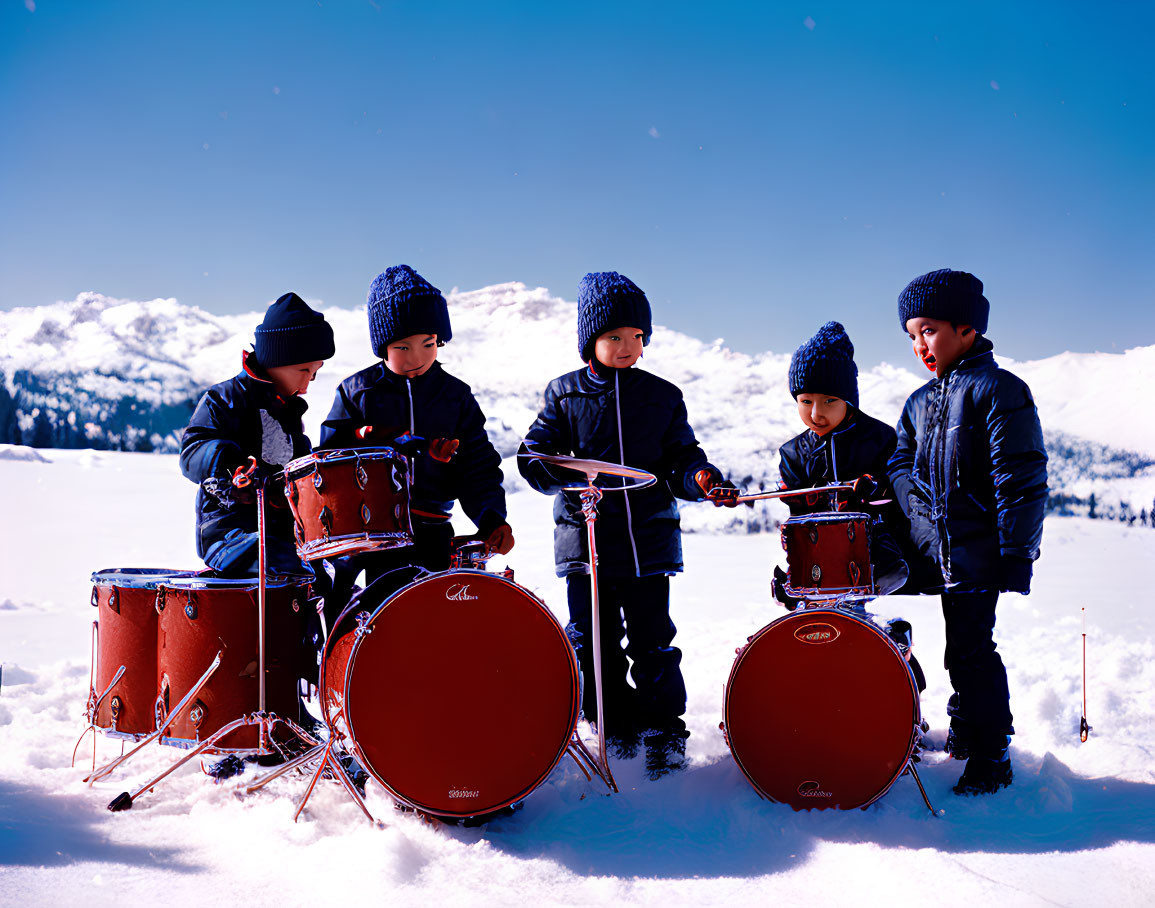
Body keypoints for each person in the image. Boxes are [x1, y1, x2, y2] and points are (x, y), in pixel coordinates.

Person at [518, 270, 739, 779]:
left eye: (636, 337)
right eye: (614, 336)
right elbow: (533, 455)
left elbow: (683, 458)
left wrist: (701, 478)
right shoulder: (564, 395)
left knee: (653, 639)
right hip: (587, 540)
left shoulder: (661, 396)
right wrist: (554, 469)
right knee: (592, 640)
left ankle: (664, 731)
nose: (626, 347)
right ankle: (613, 728)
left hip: (647, 542)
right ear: (589, 341)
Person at [887, 268, 1047, 795]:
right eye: (912, 336)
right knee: (961, 647)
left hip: (979, 551)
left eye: (928, 330)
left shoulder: (999, 391)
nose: (920, 345)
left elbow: (1020, 476)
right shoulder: (918, 403)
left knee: (971, 651)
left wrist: (1015, 552)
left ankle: (991, 752)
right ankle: (964, 726)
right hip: (938, 549)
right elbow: (901, 465)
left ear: (967, 330)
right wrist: (918, 516)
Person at [320, 265, 513, 606]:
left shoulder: (455, 396)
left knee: (434, 619)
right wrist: (373, 439)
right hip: (371, 535)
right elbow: (331, 458)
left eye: (428, 344)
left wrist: (491, 518)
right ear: (383, 346)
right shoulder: (358, 392)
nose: (418, 358)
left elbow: (478, 466)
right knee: (374, 620)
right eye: (403, 348)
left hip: (434, 530)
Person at [776, 320, 929, 689]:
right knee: (818, 621)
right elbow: (798, 517)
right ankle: (832, 687)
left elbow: (899, 493)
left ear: (849, 400)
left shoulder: (878, 439)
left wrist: (873, 491)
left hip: (875, 551)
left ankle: (894, 668)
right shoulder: (793, 453)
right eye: (806, 401)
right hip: (819, 559)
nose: (817, 413)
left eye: (830, 400)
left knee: (850, 614)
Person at [180, 292, 335, 579]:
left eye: (314, 373)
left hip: (280, 533)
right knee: (283, 560)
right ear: (276, 359)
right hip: (228, 534)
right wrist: (226, 460)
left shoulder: (288, 412)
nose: (308, 382)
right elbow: (191, 452)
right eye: (303, 370)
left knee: (322, 572)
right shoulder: (224, 399)